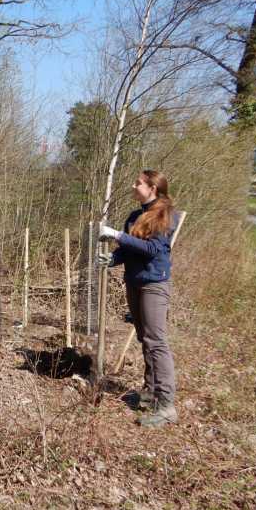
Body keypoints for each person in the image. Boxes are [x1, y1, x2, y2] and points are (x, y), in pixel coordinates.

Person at [99, 169, 179, 427]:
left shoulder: (164, 215)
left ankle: (166, 405)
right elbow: (128, 250)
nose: (134, 186)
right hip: (134, 282)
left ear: (152, 188)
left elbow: (153, 249)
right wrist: (112, 258)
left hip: (154, 283)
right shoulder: (135, 215)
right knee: (145, 338)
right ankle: (150, 392)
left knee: (156, 342)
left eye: (138, 183)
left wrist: (116, 235)